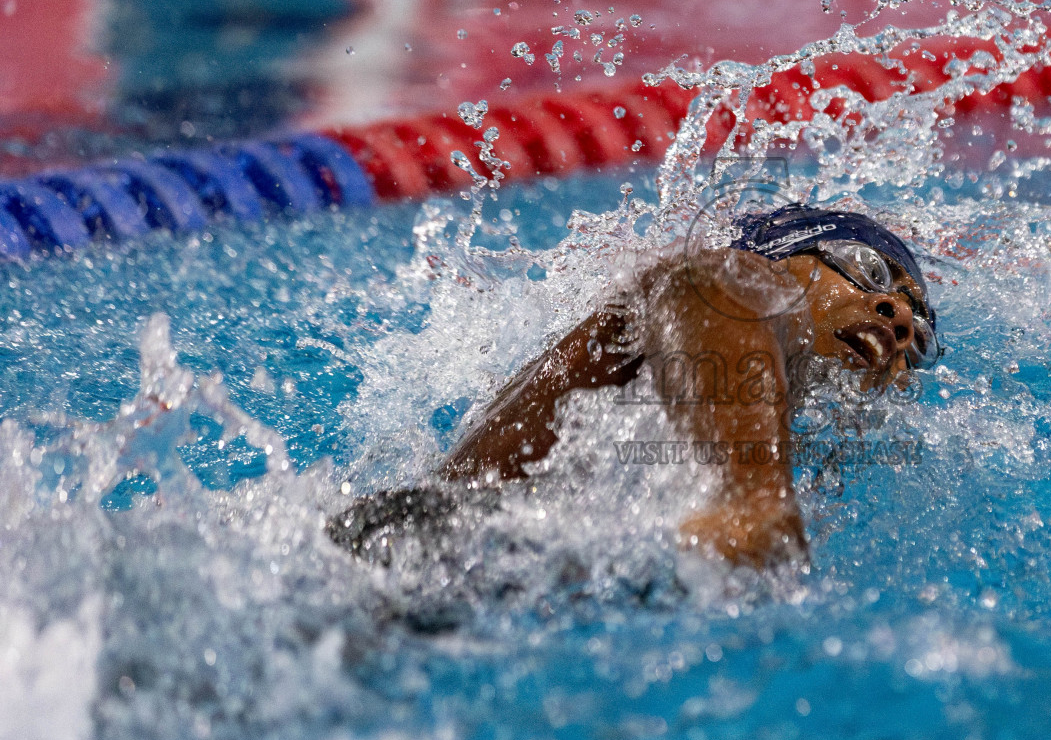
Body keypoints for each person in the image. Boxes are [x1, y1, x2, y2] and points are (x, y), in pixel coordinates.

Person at [326, 204, 939, 571]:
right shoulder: (742, 288)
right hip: (407, 556)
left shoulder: (774, 434)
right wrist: (752, 497)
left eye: (923, 335)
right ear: (785, 259)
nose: (900, 316)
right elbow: (709, 287)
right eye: (870, 271)